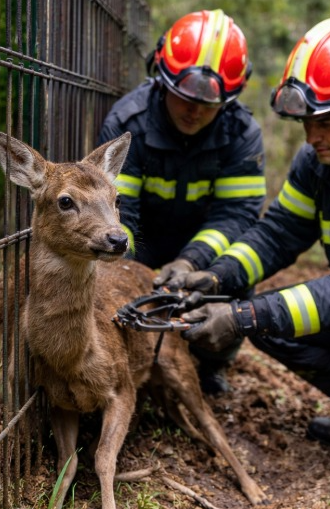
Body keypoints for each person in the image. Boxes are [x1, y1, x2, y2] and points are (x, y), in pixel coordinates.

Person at [171, 17, 330, 508]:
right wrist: (217, 276)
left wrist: (244, 315)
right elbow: (278, 233)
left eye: (326, 121)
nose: (312, 137)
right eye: (307, 123)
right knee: (265, 317)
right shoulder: (321, 161)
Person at [97, 9, 266, 394]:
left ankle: (211, 365)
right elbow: (119, 212)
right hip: (140, 240)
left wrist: (192, 261)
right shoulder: (129, 122)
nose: (194, 110)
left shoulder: (242, 135)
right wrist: (136, 273)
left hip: (201, 246)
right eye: (184, 98)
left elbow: (236, 215)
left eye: (209, 104)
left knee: (240, 268)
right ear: (161, 80)